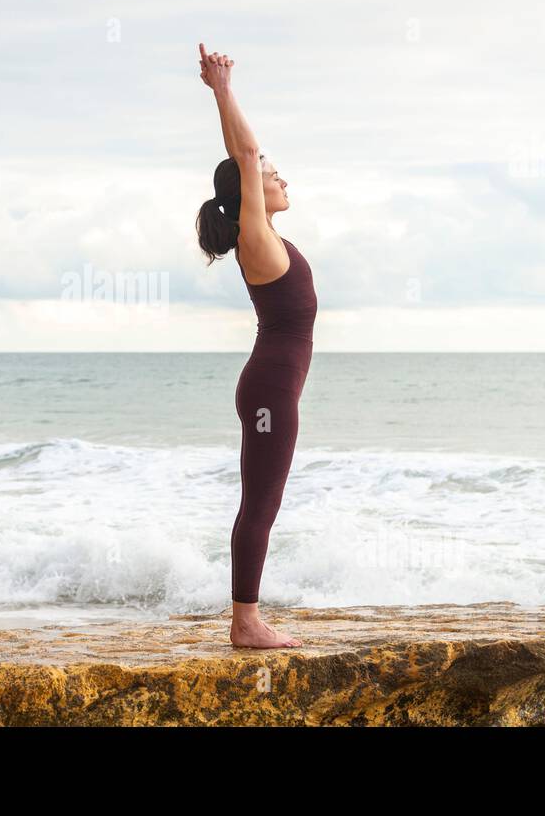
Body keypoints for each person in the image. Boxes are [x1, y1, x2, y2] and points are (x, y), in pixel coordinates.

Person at [195, 43, 318, 648]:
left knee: (262, 499)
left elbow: (245, 159)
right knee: (261, 503)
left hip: (271, 383)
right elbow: (243, 153)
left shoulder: (269, 238)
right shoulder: (257, 239)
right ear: (249, 193)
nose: (280, 176)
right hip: (269, 386)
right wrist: (222, 90)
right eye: (272, 173)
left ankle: (246, 617)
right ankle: (245, 622)